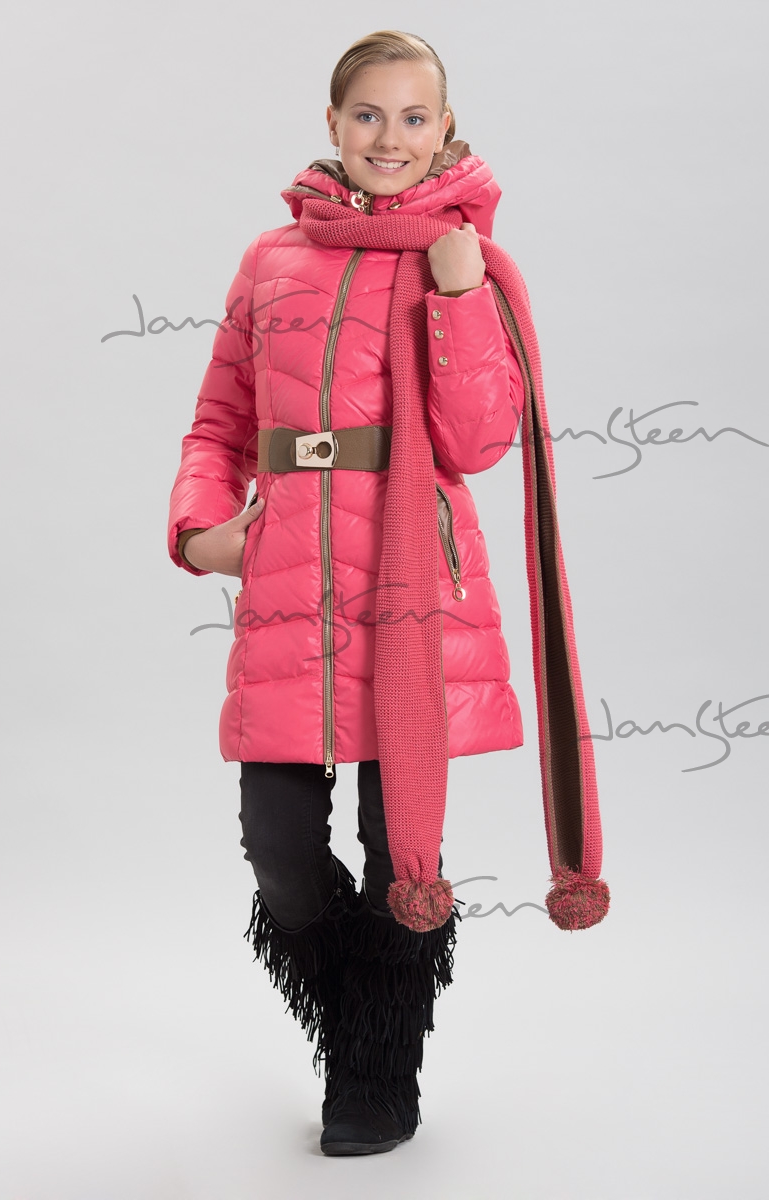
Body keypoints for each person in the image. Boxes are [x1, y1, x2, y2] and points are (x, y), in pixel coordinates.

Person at [167, 28, 606, 1157]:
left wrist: (457, 296)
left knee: (396, 855)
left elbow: (479, 440)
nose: (390, 138)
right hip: (286, 584)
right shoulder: (270, 259)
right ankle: (357, 1022)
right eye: (368, 115)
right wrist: (200, 532)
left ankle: (376, 1080)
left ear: (445, 130)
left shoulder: (466, 261)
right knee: (278, 849)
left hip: (411, 594)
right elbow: (218, 422)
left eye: (415, 118)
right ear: (332, 123)